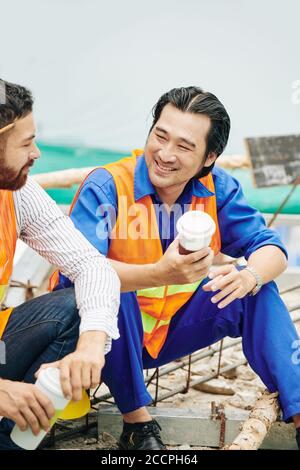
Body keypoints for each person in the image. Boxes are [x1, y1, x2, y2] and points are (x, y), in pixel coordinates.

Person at [55, 86, 300, 451]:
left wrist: (248, 275)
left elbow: (272, 249)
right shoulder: (107, 185)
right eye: (160, 136)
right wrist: (161, 273)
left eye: (184, 146)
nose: (165, 154)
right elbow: (80, 273)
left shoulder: (217, 189)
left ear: (208, 157)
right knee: (106, 282)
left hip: (168, 332)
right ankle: (136, 423)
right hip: (96, 339)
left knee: (257, 288)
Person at [0, 79, 120, 450]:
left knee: (76, 308)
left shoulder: (15, 193)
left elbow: (91, 266)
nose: (36, 153)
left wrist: (90, 345)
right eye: (25, 143)